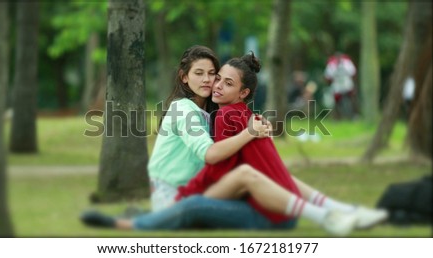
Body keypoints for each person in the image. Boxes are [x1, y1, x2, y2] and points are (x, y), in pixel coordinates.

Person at [81, 53, 387, 236]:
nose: (215, 84)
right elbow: (219, 161)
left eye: (223, 80)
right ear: (185, 77)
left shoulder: (224, 115)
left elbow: (218, 163)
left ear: (242, 93)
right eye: (214, 78)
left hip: (242, 205)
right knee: (247, 178)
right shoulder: (220, 113)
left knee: (234, 187)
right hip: (215, 200)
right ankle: (337, 214)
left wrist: (190, 190)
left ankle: (343, 212)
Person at [147, 45, 270, 212]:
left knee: (256, 181)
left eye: (212, 74)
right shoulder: (182, 109)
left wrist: (260, 126)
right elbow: (209, 154)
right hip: (171, 196)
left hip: (197, 191)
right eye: (198, 73)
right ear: (184, 77)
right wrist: (250, 132)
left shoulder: (212, 112)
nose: (206, 79)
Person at [324, 52, 358, 120]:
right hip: (337, 83)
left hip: (346, 81)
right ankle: (337, 116)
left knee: (351, 97)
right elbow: (328, 75)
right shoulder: (331, 64)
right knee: (336, 100)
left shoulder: (347, 62)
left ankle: (354, 114)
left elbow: (353, 72)